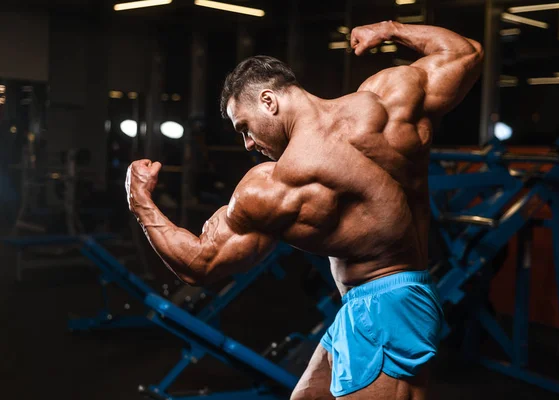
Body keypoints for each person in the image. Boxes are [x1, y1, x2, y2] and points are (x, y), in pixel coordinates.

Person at [126, 20, 483, 400]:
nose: (247, 143)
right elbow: (465, 53)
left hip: (384, 313)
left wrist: (140, 202)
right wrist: (390, 29)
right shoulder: (387, 102)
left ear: (269, 100)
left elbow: (199, 264)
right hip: (381, 302)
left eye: (244, 126)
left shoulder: (281, 181)